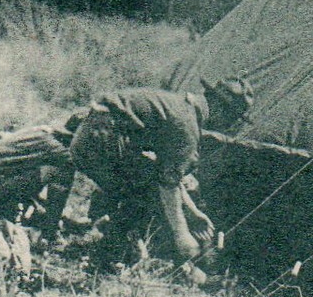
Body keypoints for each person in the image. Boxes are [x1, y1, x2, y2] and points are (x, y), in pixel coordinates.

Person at [66, 80, 252, 274]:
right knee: (151, 196)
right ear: (221, 110)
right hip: (99, 142)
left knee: (148, 183)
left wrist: (192, 211)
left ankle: (112, 242)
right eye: (232, 118)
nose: (229, 125)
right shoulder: (186, 126)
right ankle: (110, 257)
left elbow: (165, 172)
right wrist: (182, 235)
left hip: (91, 136)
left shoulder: (179, 107)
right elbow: (167, 184)